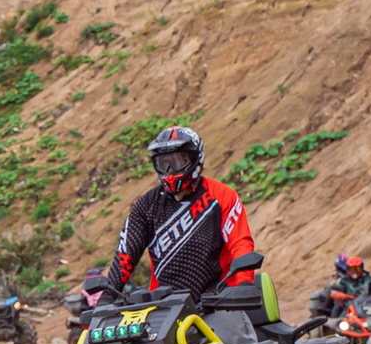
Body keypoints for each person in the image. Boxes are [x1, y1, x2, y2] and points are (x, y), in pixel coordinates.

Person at [94, 125, 257, 301]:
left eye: (178, 161)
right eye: (164, 164)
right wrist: (107, 297)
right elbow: (125, 254)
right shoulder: (146, 205)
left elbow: (240, 244)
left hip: (218, 300)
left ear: (195, 159)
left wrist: (243, 284)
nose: (170, 170)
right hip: (165, 305)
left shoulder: (222, 196)